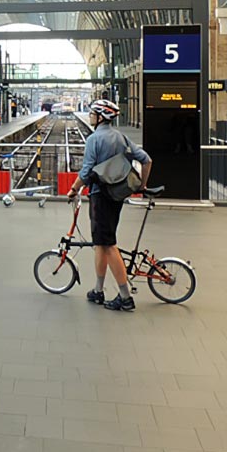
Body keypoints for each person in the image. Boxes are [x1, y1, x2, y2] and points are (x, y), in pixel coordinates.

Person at [67, 99, 153, 312]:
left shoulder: (94, 139)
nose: (90, 117)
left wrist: (73, 189)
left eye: (93, 114)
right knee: (101, 243)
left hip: (100, 196)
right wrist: (141, 185)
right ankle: (98, 290)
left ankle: (125, 297)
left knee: (108, 244)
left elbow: (86, 171)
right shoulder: (122, 137)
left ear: (100, 117)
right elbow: (147, 160)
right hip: (116, 195)